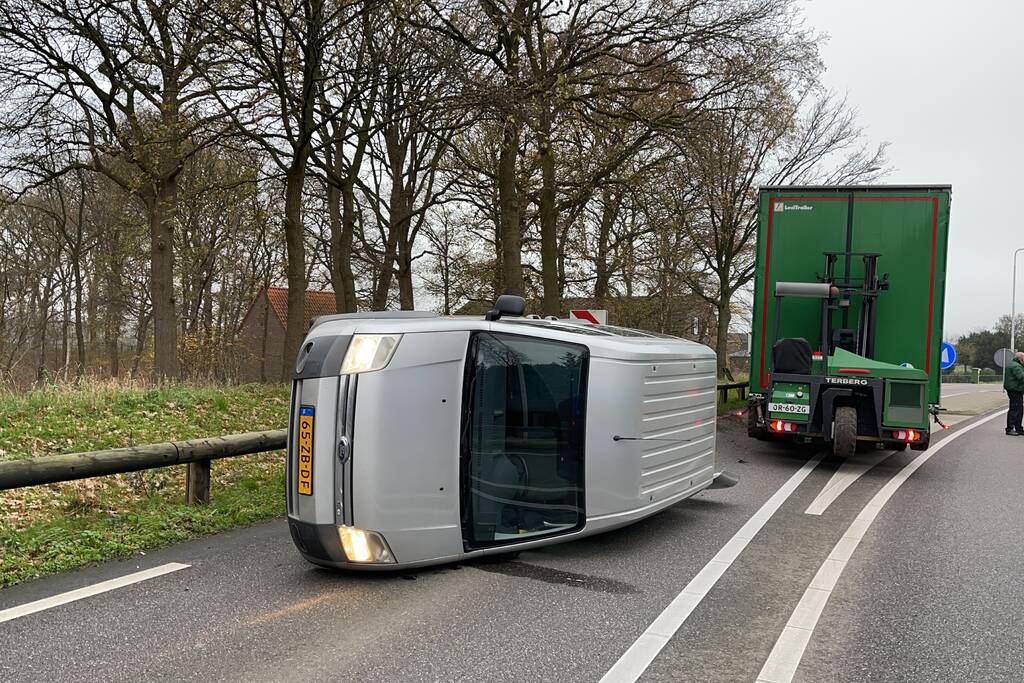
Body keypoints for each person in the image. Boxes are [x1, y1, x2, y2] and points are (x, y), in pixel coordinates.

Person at [1003, 351, 1024, 435]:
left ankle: (1018, 428)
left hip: (1016, 390)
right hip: (1015, 390)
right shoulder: (1016, 366)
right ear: (1021, 358)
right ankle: (1009, 429)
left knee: (1019, 409)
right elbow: (1022, 377)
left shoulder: (1015, 365)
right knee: (1015, 409)